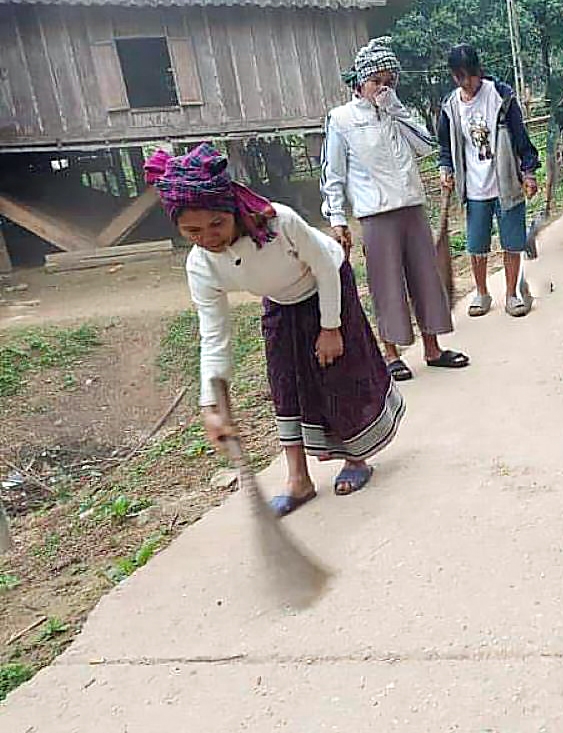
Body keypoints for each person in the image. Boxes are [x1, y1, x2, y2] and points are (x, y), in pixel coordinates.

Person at [147, 143, 403, 514]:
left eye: (216, 223)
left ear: (232, 208)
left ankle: (355, 459)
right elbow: (214, 336)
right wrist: (211, 405)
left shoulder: (278, 222)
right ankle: (298, 479)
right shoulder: (201, 266)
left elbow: (326, 268)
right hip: (280, 300)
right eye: (192, 231)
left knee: (337, 373)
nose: (208, 237)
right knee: (284, 381)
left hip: (325, 282)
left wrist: (330, 328)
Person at [322, 37, 468, 381]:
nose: (383, 89)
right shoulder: (341, 119)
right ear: (361, 82)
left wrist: (395, 108)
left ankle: (432, 348)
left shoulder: (396, 114)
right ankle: (391, 354)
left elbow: (426, 145)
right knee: (386, 284)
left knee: (425, 278)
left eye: (390, 82)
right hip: (375, 214)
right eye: (377, 82)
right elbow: (333, 173)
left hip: (411, 205)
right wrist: (337, 219)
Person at [437, 44, 541, 318]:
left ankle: (511, 294)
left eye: (470, 76)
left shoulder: (501, 96)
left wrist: (528, 172)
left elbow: (521, 138)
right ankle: (482, 292)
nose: (466, 83)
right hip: (474, 188)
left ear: (479, 71)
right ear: (453, 77)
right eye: (459, 78)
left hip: (505, 182)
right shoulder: (450, 107)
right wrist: (445, 167)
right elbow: (445, 146)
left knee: (512, 242)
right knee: (476, 245)